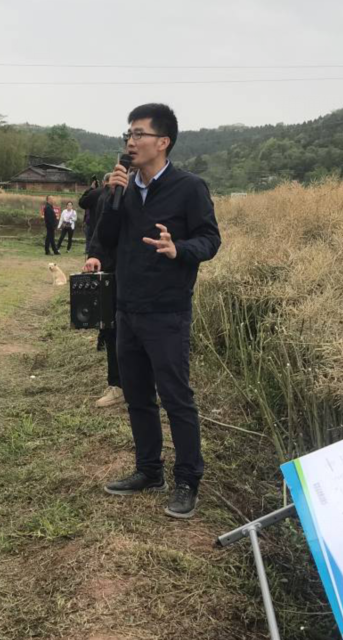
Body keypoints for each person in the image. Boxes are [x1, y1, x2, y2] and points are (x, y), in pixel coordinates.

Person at [85, 103, 221, 519]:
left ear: (163, 142)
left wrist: (179, 248)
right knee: (138, 397)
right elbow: (107, 237)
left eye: (139, 134)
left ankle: (187, 480)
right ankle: (148, 470)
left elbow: (210, 240)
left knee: (177, 398)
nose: (131, 141)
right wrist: (113, 197)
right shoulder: (124, 187)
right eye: (128, 133)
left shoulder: (189, 187)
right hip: (127, 308)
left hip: (167, 311)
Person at [81, 173, 123, 409]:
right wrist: (94, 254)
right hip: (109, 268)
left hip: (137, 274)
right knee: (109, 326)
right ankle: (116, 385)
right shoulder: (108, 194)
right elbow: (101, 229)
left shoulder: (154, 192)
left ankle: (143, 384)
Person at [79, 176, 100, 246]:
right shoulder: (104, 194)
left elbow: (81, 202)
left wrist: (91, 189)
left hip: (91, 223)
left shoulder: (93, 195)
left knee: (89, 240)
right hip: (91, 222)